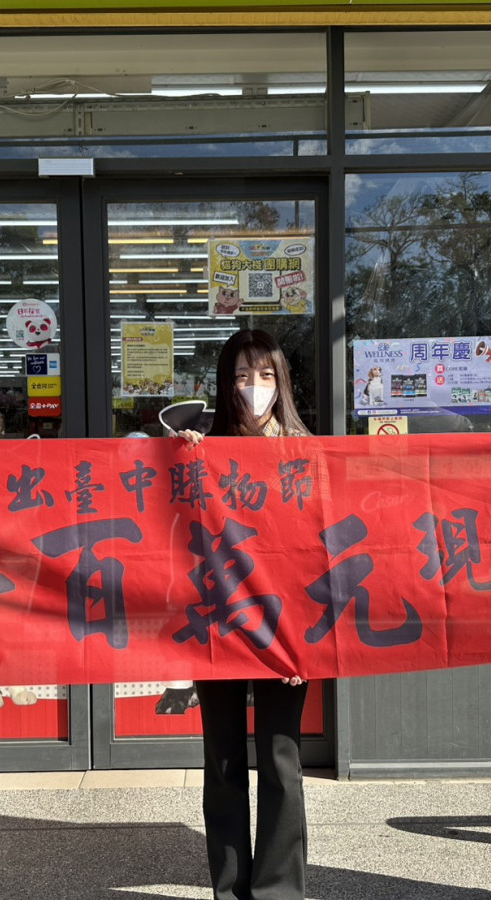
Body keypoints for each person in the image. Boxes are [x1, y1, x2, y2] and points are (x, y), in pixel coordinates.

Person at [178, 328, 310, 900]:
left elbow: (315, 554)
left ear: (281, 382)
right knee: (224, 757)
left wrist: (303, 640)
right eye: (240, 376)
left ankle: (279, 889)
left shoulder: (308, 453)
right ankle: (229, 887)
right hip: (218, 621)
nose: (253, 388)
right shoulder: (204, 448)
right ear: (223, 385)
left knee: (281, 757)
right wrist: (182, 457)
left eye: (264, 375)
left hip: (285, 628)